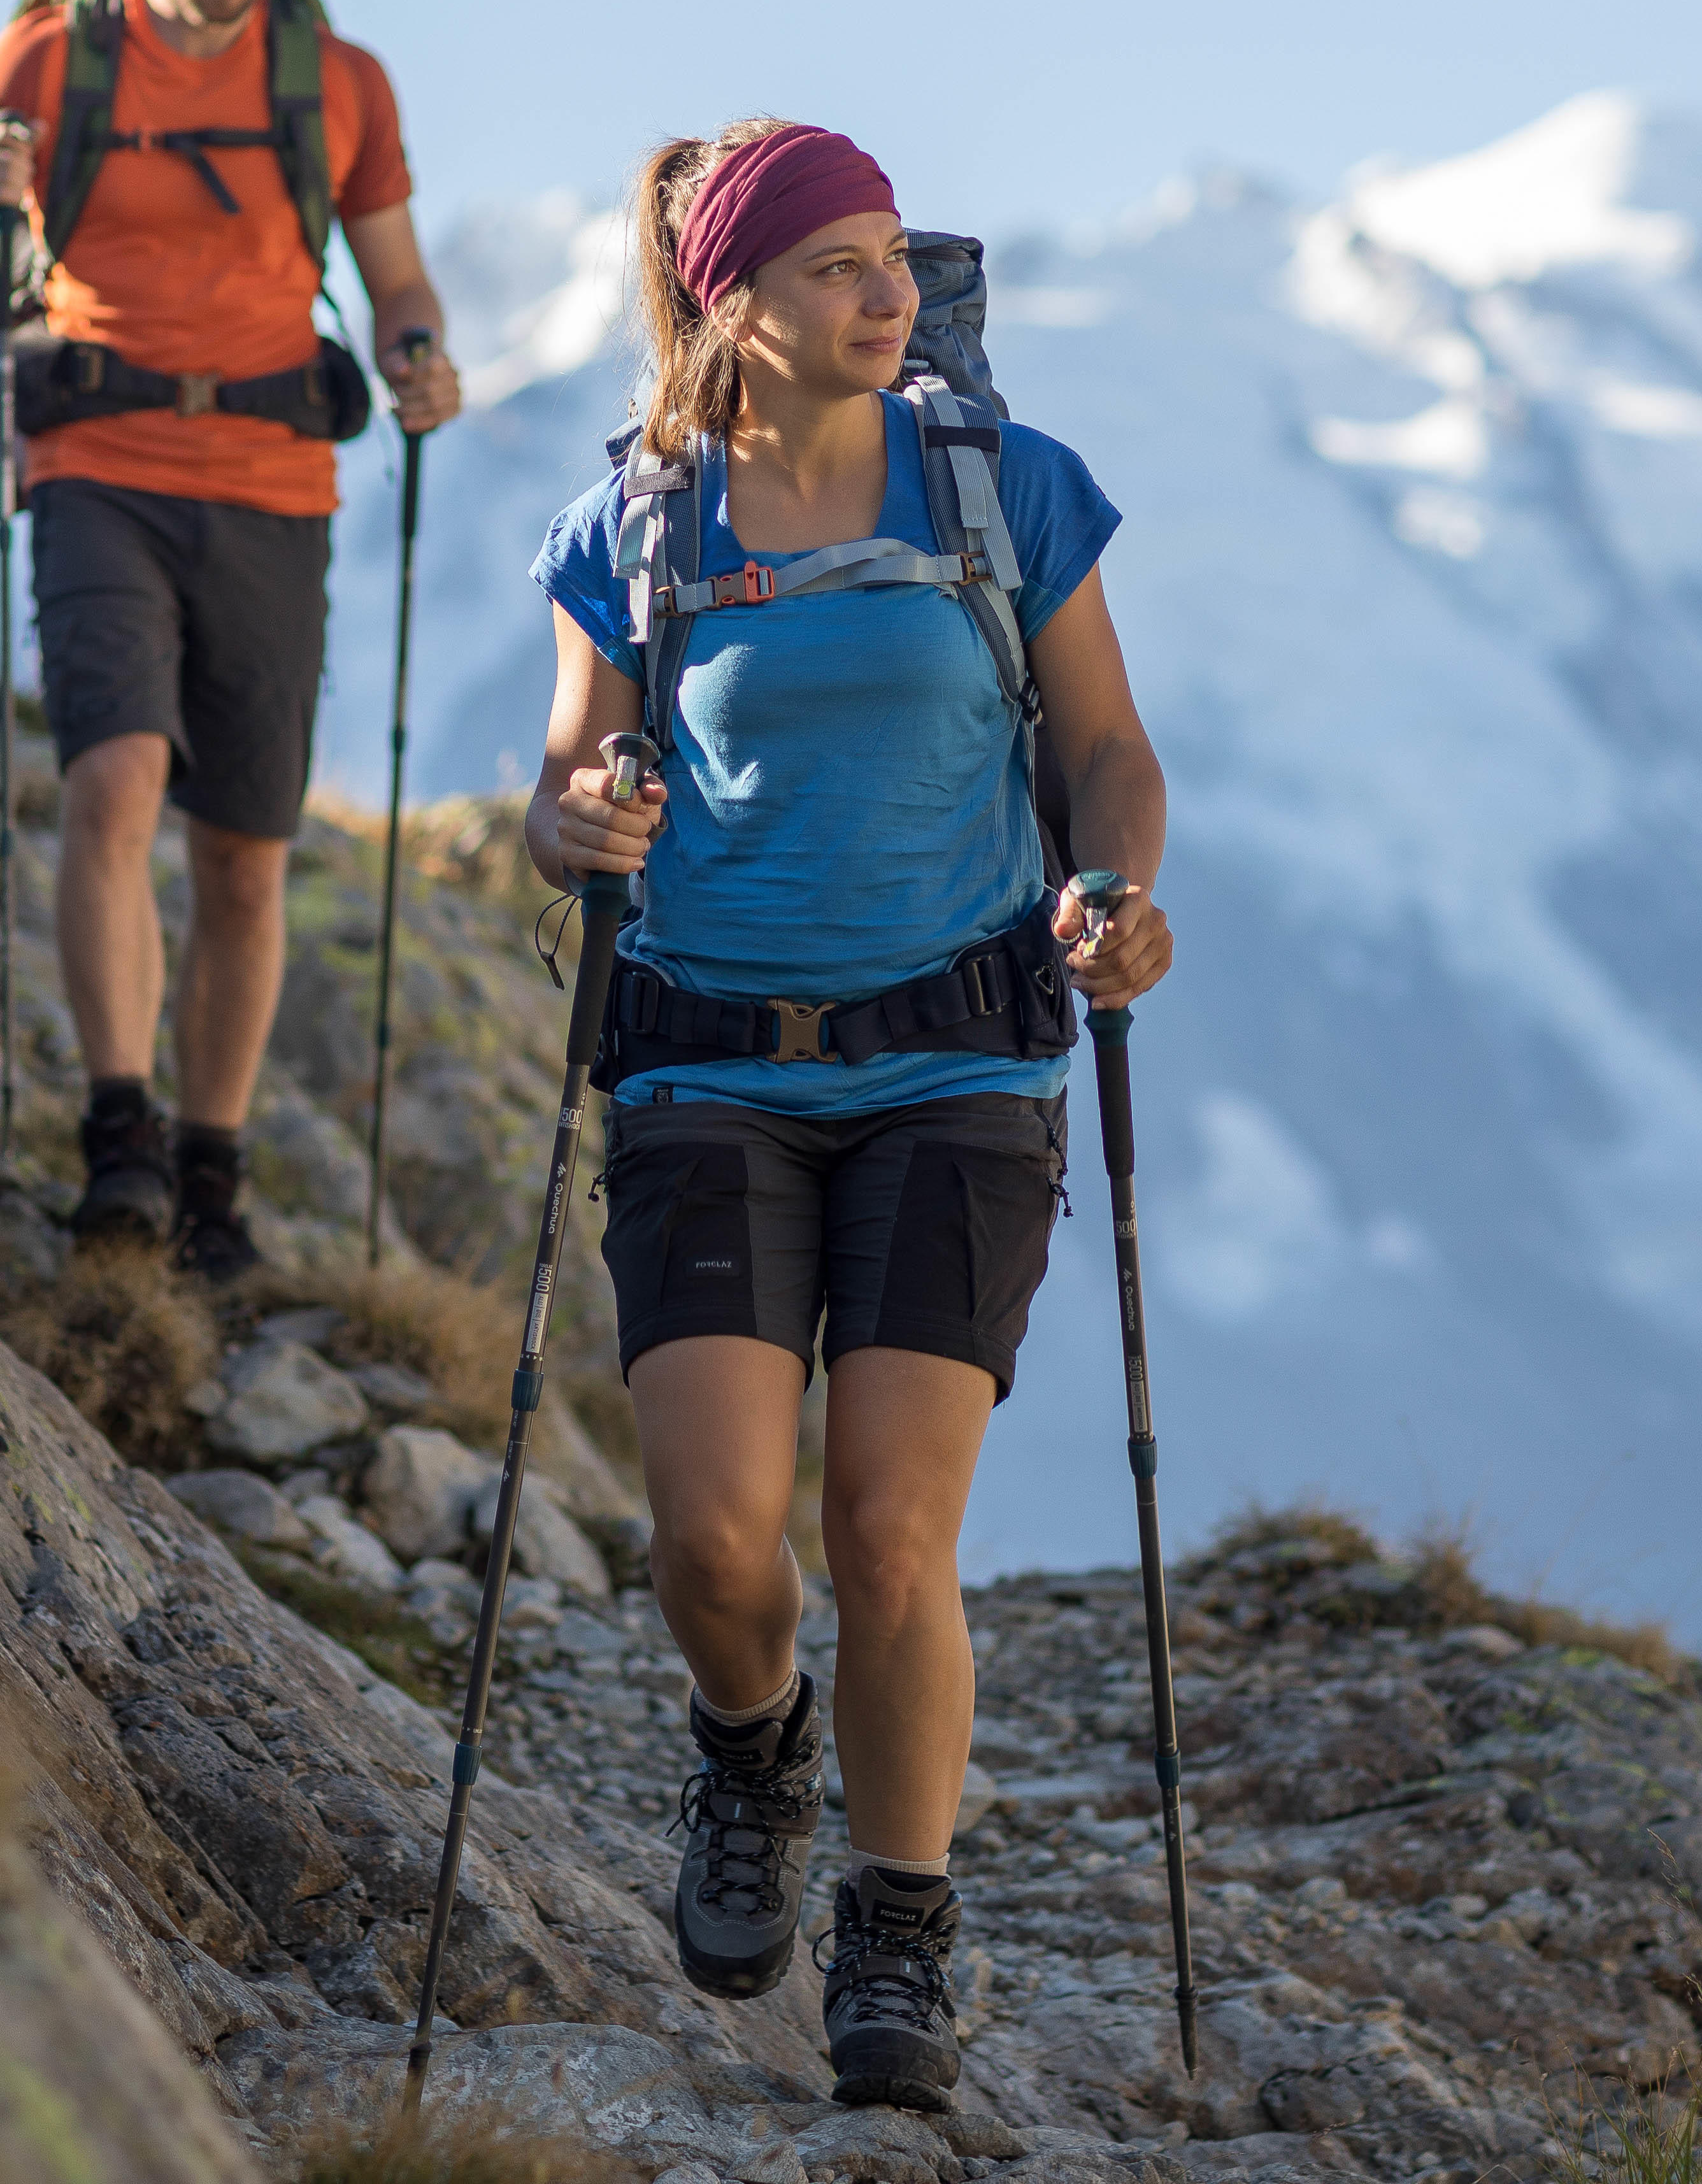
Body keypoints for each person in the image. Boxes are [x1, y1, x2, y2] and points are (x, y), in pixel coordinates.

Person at [526, 120, 1175, 2115]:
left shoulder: (1007, 490)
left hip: (961, 1071)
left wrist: (1119, 896)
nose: (888, 296)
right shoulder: (629, 529)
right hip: (708, 1064)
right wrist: (584, 820)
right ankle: (753, 1748)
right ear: (734, 302)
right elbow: (561, 789)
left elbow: (1108, 749)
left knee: (888, 1527)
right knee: (716, 1545)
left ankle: (901, 1917)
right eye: (837, 268)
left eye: (894, 259)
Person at [0, 0, 464, 1275]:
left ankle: (214, 1174)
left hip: (274, 481)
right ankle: (120, 1134)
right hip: (98, 462)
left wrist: (416, 356)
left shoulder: (338, 83)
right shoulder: (50, 59)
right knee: (112, 787)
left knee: (247, 858)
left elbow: (396, 276)